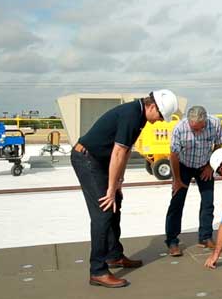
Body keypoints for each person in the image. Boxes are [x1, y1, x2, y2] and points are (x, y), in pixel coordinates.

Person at [71, 90, 178, 288]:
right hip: (87, 159)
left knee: (115, 203)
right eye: (161, 116)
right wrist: (110, 189)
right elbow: (118, 152)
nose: (160, 121)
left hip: (101, 161)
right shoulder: (131, 114)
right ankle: (98, 271)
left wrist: (118, 181)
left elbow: (126, 150)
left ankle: (114, 256)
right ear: (152, 106)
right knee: (103, 211)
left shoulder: (139, 116)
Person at [165, 106, 222, 256]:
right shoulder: (179, 128)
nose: (198, 132)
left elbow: (219, 145)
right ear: (189, 122)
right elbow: (173, 155)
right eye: (194, 129)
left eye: (201, 128)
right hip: (183, 165)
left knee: (208, 202)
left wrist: (210, 167)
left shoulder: (215, 124)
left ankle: (205, 237)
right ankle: (172, 240)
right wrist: (177, 180)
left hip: (204, 165)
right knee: (176, 202)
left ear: (205, 121)